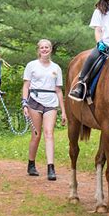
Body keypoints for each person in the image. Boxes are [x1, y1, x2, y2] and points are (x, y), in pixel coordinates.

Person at [22, 39, 67, 180]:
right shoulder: (31, 66)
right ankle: (31, 164)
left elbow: (59, 90)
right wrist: (24, 103)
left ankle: (51, 168)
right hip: (34, 101)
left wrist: (64, 111)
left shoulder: (56, 68)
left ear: (51, 49)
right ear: (38, 50)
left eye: (47, 47)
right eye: (42, 47)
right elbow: (26, 86)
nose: (44, 49)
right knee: (36, 135)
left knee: (49, 133)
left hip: (51, 102)